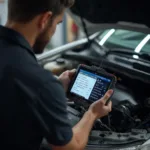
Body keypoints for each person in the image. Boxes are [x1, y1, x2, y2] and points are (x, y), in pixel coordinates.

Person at [0, 0, 113, 150]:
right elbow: (71, 147)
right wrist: (92, 114)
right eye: (58, 23)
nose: (54, 30)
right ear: (45, 19)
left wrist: (55, 88)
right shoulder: (41, 82)